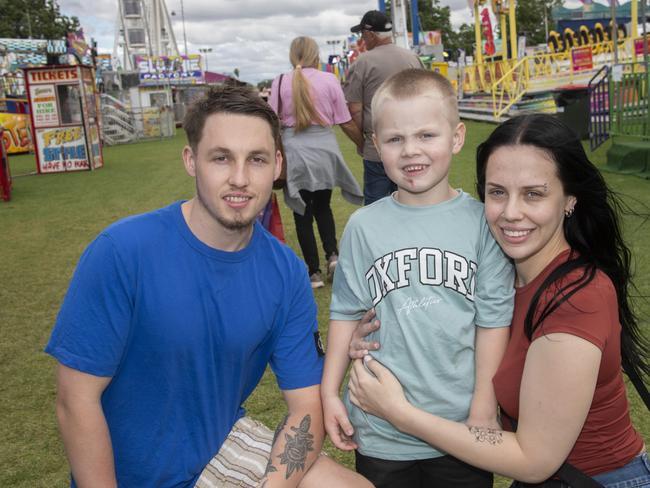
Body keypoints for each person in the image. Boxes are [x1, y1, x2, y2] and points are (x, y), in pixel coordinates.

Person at [45, 85, 371, 488]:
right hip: (130, 475)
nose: (239, 178)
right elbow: (74, 401)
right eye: (221, 158)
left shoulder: (285, 270)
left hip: (219, 450)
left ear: (277, 166)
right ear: (191, 161)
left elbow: (306, 407)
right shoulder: (122, 252)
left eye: (256, 160)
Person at [348, 113, 650, 487]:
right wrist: (371, 332)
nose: (510, 213)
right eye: (497, 192)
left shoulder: (576, 299)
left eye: (533, 194)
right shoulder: (499, 277)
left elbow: (533, 460)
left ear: (570, 199)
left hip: (599, 479)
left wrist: (398, 412)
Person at [321, 69, 515, 488]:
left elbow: (494, 320)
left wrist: (484, 405)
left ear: (456, 137)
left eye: (427, 135)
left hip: (460, 426)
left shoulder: (482, 222)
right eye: (394, 139)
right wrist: (328, 392)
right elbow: (343, 313)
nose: (411, 151)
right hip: (381, 429)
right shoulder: (363, 226)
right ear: (375, 145)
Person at [270, 36, 364, 288]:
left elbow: (271, 122)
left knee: (302, 212)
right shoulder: (329, 80)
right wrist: (361, 143)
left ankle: (314, 273)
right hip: (324, 150)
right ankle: (333, 256)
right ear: (315, 54)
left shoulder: (280, 82)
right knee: (323, 206)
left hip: (294, 152)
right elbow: (344, 120)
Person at [343, 9, 423, 205]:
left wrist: (363, 142)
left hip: (378, 147)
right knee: (411, 201)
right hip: (413, 145)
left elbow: (354, 109)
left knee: (376, 206)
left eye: (362, 35)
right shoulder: (413, 58)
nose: (362, 39)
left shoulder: (362, 62)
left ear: (370, 34)